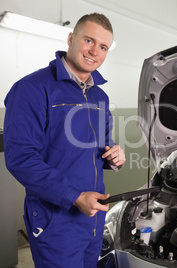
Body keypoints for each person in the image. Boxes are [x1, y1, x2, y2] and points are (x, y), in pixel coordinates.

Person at [3, 13, 126, 267]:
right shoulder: (32, 89)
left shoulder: (99, 97)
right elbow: (21, 158)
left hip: (92, 216)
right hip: (55, 219)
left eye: (103, 47)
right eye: (89, 41)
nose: (95, 51)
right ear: (71, 38)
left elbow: (101, 148)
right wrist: (75, 196)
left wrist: (115, 158)